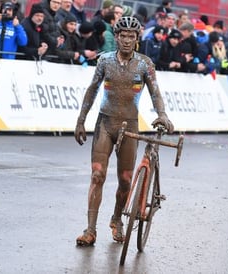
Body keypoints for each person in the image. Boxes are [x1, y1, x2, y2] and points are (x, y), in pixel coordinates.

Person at [74, 16, 174, 246]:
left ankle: (117, 219)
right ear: (116, 37)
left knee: (126, 181)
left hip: (129, 126)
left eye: (132, 36)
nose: (127, 40)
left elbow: (156, 92)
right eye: (123, 36)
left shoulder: (144, 63)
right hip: (105, 125)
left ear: (137, 38)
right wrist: (81, 120)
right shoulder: (105, 61)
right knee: (97, 176)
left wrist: (162, 114)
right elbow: (91, 90)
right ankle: (90, 230)